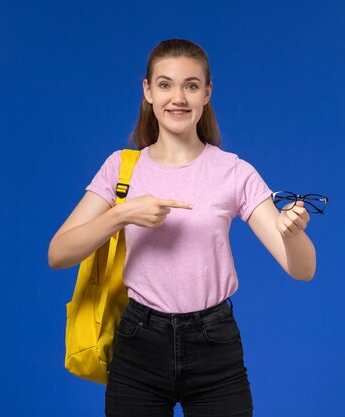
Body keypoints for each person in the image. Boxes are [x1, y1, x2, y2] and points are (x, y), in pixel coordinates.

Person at [48, 38, 316, 417]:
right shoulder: (121, 169)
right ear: (147, 91)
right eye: (165, 84)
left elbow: (302, 270)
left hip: (214, 344)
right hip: (138, 342)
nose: (178, 97)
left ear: (207, 93)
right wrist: (121, 215)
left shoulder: (234, 172)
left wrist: (293, 232)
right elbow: (58, 254)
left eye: (191, 85)